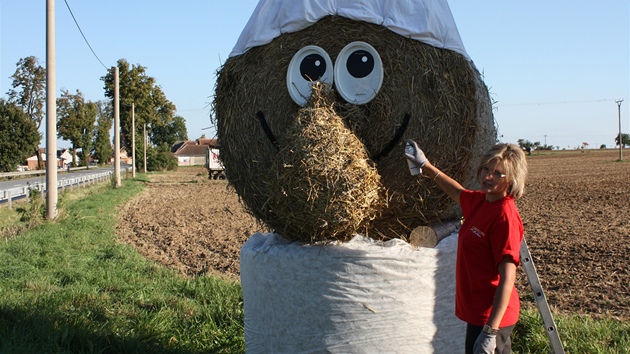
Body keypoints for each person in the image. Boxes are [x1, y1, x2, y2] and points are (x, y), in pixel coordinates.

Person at [404, 140, 528, 354]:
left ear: (512, 180)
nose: (488, 177)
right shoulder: (482, 201)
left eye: (498, 174)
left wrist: (491, 331)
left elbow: (507, 279)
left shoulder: (504, 217)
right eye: (486, 169)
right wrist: (425, 165)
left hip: (493, 317)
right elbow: (457, 192)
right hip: (479, 313)